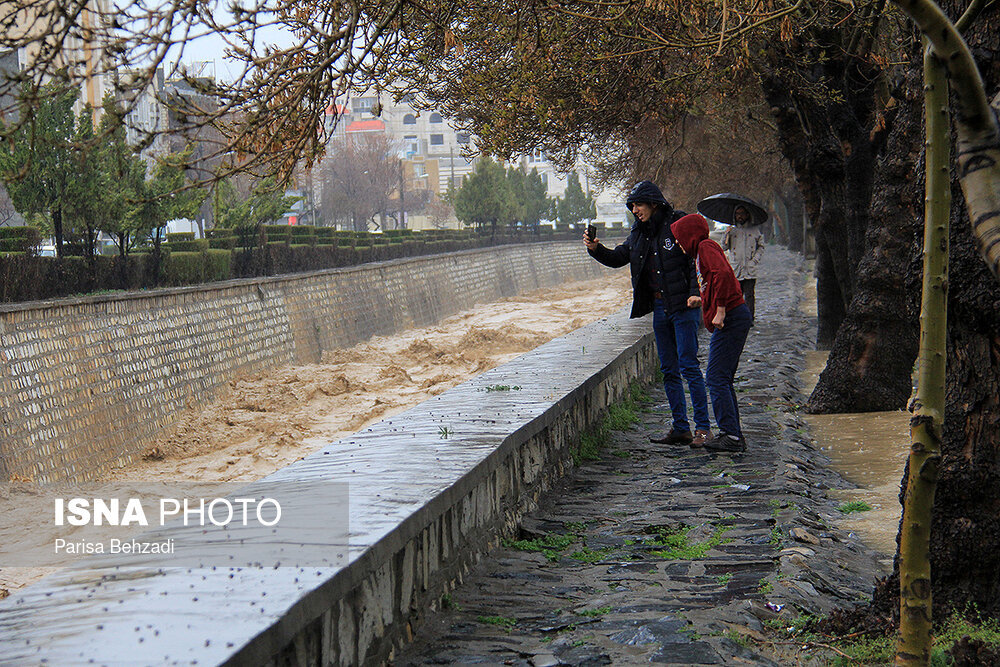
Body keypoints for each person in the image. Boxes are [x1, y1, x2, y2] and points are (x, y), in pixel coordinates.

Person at [583, 181, 712, 448]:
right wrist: (596, 249)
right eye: (631, 206)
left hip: (685, 307)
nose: (634, 209)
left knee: (688, 366)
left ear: (654, 203)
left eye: (638, 204)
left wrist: (695, 293)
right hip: (660, 309)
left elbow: (693, 260)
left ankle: (703, 429)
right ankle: (680, 428)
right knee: (668, 369)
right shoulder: (638, 233)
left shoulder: (678, 224)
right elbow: (619, 257)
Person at [671, 212, 753, 453]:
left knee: (716, 377)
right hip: (734, 316)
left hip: (731, 318)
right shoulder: (702, 252)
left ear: (689, 235)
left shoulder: (706, 246)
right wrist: (703, 299)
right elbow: (714, 282)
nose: (677, 243)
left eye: (679, 237)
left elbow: (724, 275)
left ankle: (731, 437)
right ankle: (733, 434)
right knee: (722, 378)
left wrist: (720, 309)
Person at [720, 206, 764, 319]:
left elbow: (761, 246)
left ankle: (750, 318)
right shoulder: (731, 231)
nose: (740, 216)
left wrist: (754, 260)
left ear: (747, 215)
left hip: (750, 268)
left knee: (749, 295)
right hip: (736, 269)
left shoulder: (754, 230)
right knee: (736, 295)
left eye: (742, 213)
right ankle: (738, 318)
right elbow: (723, 247)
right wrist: (726, 234)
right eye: (737, 214)